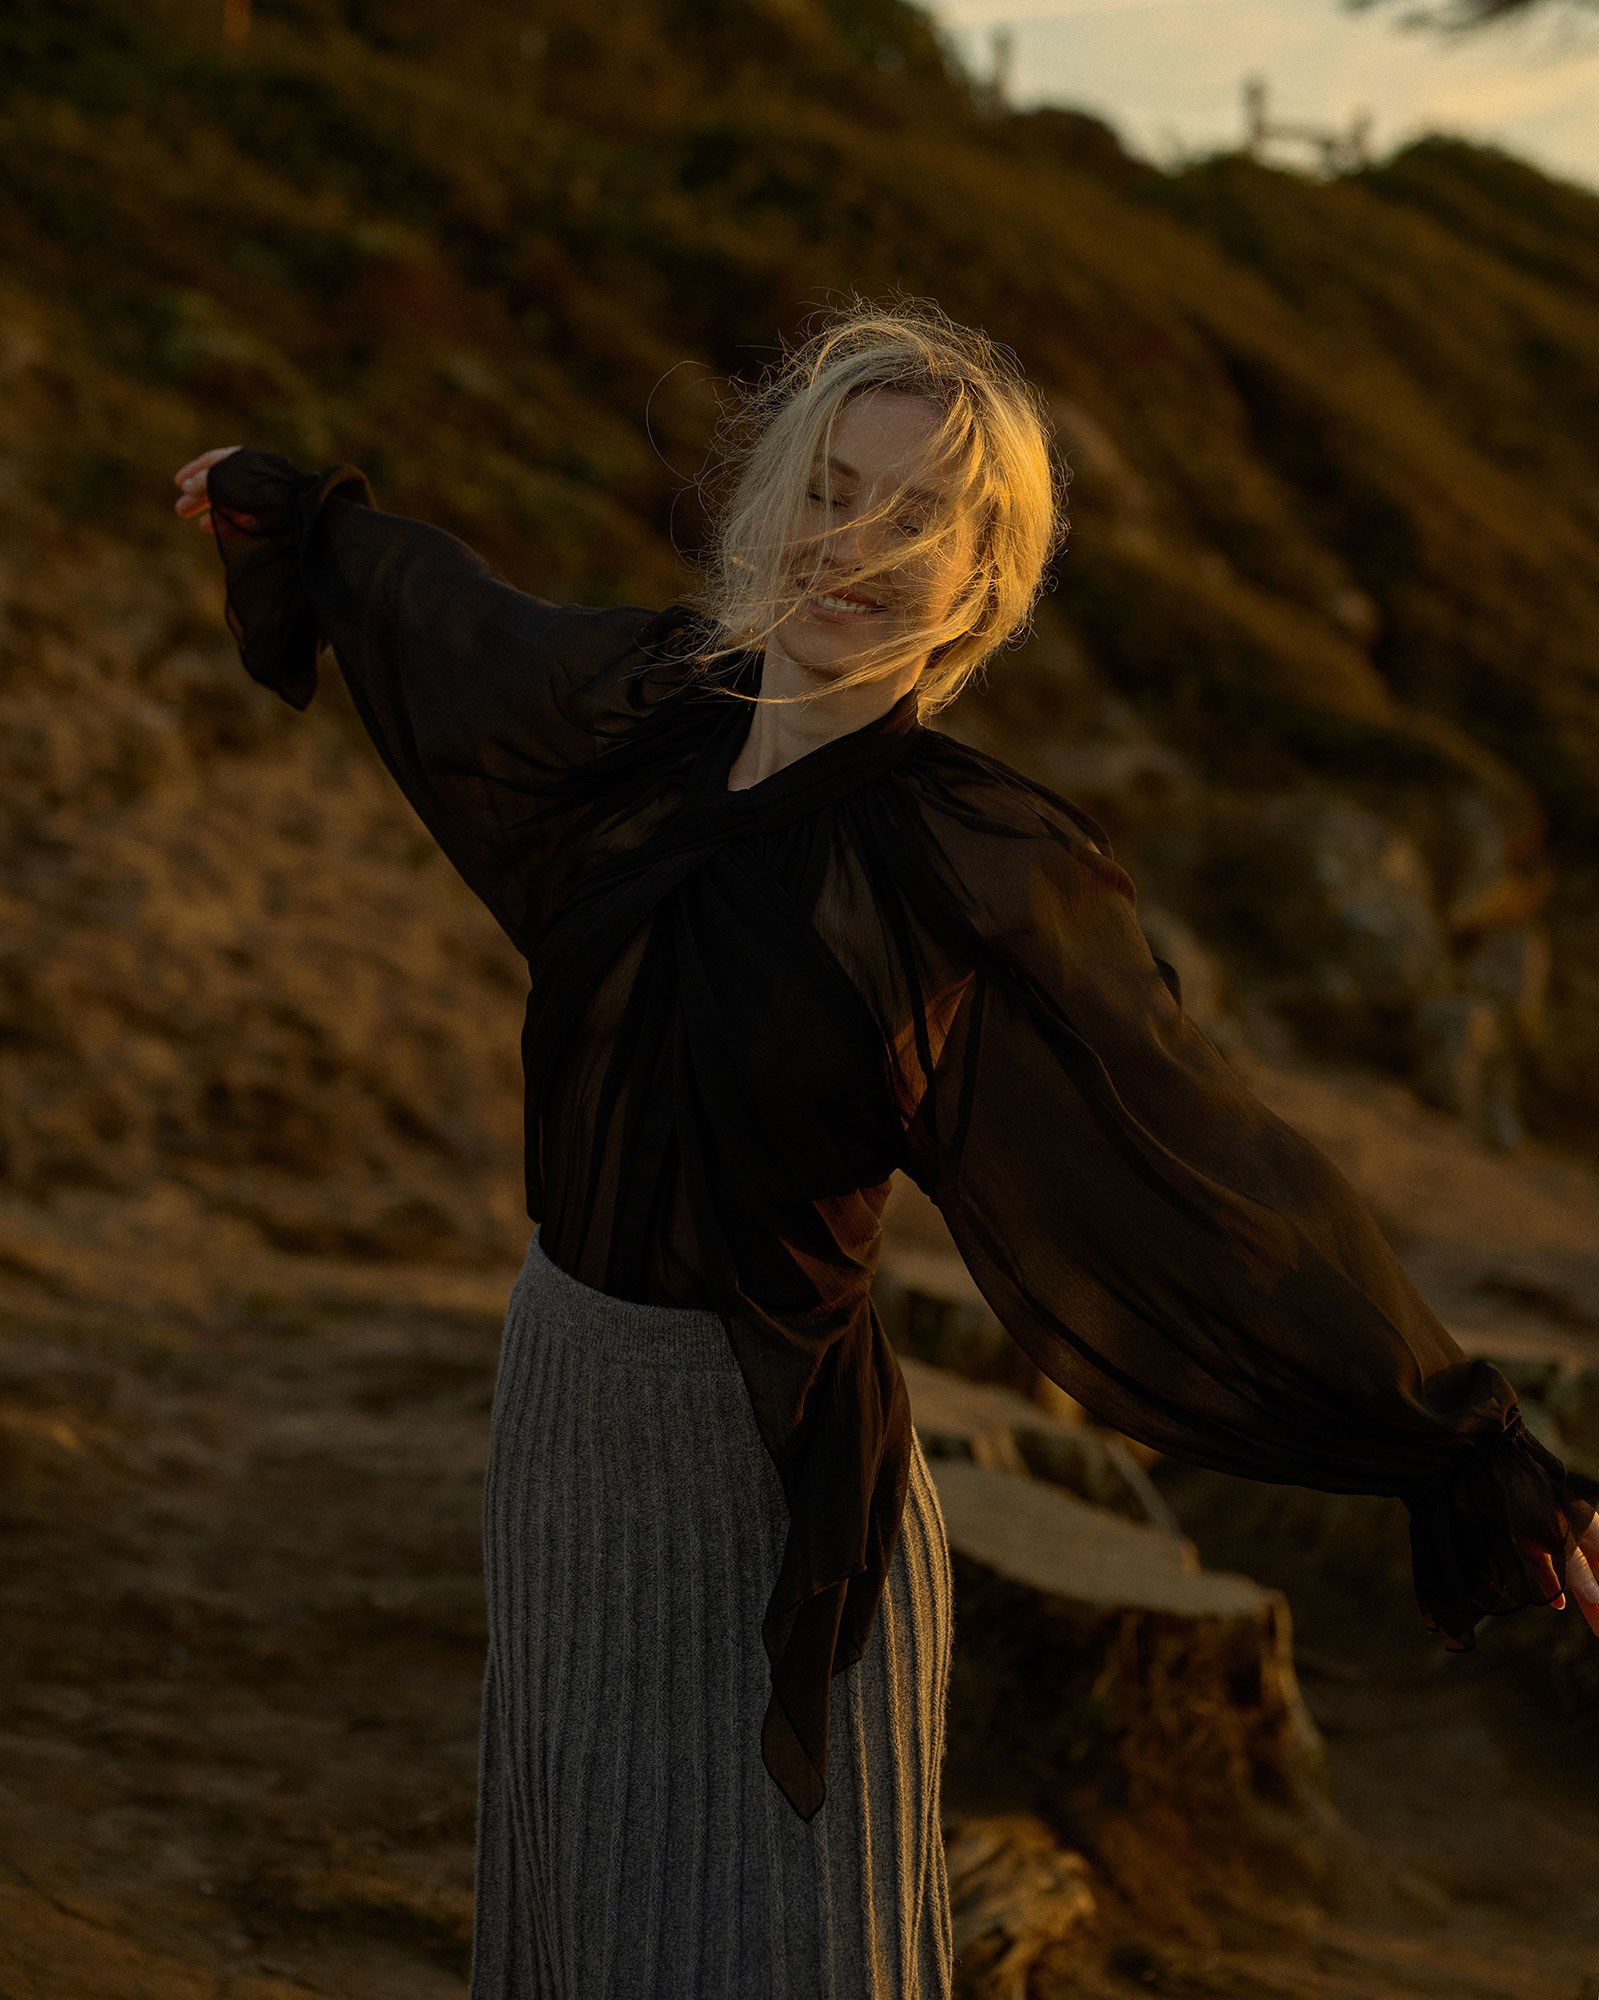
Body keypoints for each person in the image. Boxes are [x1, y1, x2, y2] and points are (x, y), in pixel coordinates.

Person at [175, 301, 1599, 2000]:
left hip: (772, 1494)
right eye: (834, 489)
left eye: (924, 520)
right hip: (561, 1424)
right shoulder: (643, 723)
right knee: (581, 1927)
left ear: (983, 581)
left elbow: (1209, 1171)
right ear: (769, 499)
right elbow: (466, 633)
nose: (860, 545)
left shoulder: (959, 869)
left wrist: (1462, 1441)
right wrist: (311, 529)